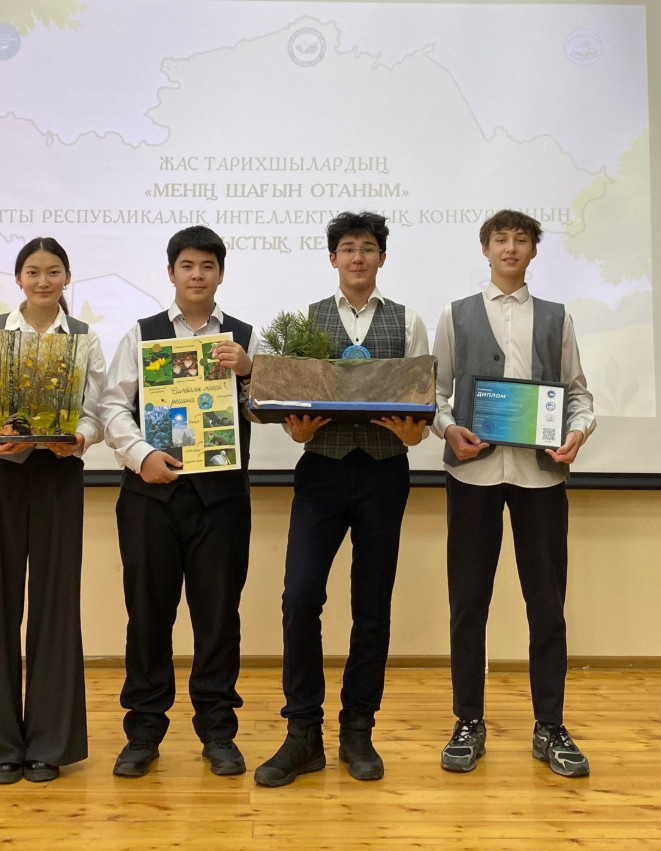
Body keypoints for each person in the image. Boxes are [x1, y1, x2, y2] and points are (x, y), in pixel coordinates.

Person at [254, 211, 430, 787]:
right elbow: (293, 400)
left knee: (371, 606)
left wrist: (414, 435)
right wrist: (296, 430)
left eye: (368, 248)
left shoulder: (408, 321)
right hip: (322, 472)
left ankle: (358, 730)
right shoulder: (307, 321)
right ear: (333, 258)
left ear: (382, 258)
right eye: (348, 248)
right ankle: (302, 732)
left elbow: (422, 399)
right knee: (300, 597)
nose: (358, 257)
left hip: (385, 472)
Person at [433, 209, 596, 777]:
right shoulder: (455, 314)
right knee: (468, 604)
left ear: (533, 251)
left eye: (520, 240)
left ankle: (550, 726)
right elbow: (436, 393)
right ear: (485, 249)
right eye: (500, 239)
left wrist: (576, 433)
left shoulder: (557, 317)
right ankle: (467, 721)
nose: (510, 247)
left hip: (540, 477)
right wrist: (448, 429)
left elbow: (578, 394)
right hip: (471, 475)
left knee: (546, 605)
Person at [101, 225, 260, 778]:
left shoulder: (244, 338)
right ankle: (143, 732)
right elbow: (112, 407)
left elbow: (267, 410)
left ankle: (218, 732)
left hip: (222, 500)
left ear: (221, 273)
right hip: (150, 496)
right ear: (171, 273)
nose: (197, 275)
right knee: (148, 615)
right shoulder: (141, 335)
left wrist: (249, 374)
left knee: (218, 618)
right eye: (187, 265)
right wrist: (140, 453)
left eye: (207, 266)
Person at [0, 237, 106, 784]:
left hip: (58, 476)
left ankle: (49, 744)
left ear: (68, 278)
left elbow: (97, 411)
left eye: (54, 271)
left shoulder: (84, 337)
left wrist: (80, 439)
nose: (43, 281)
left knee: (56, 604)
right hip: (0, 475)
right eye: (33, 272)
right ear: (18, 278)